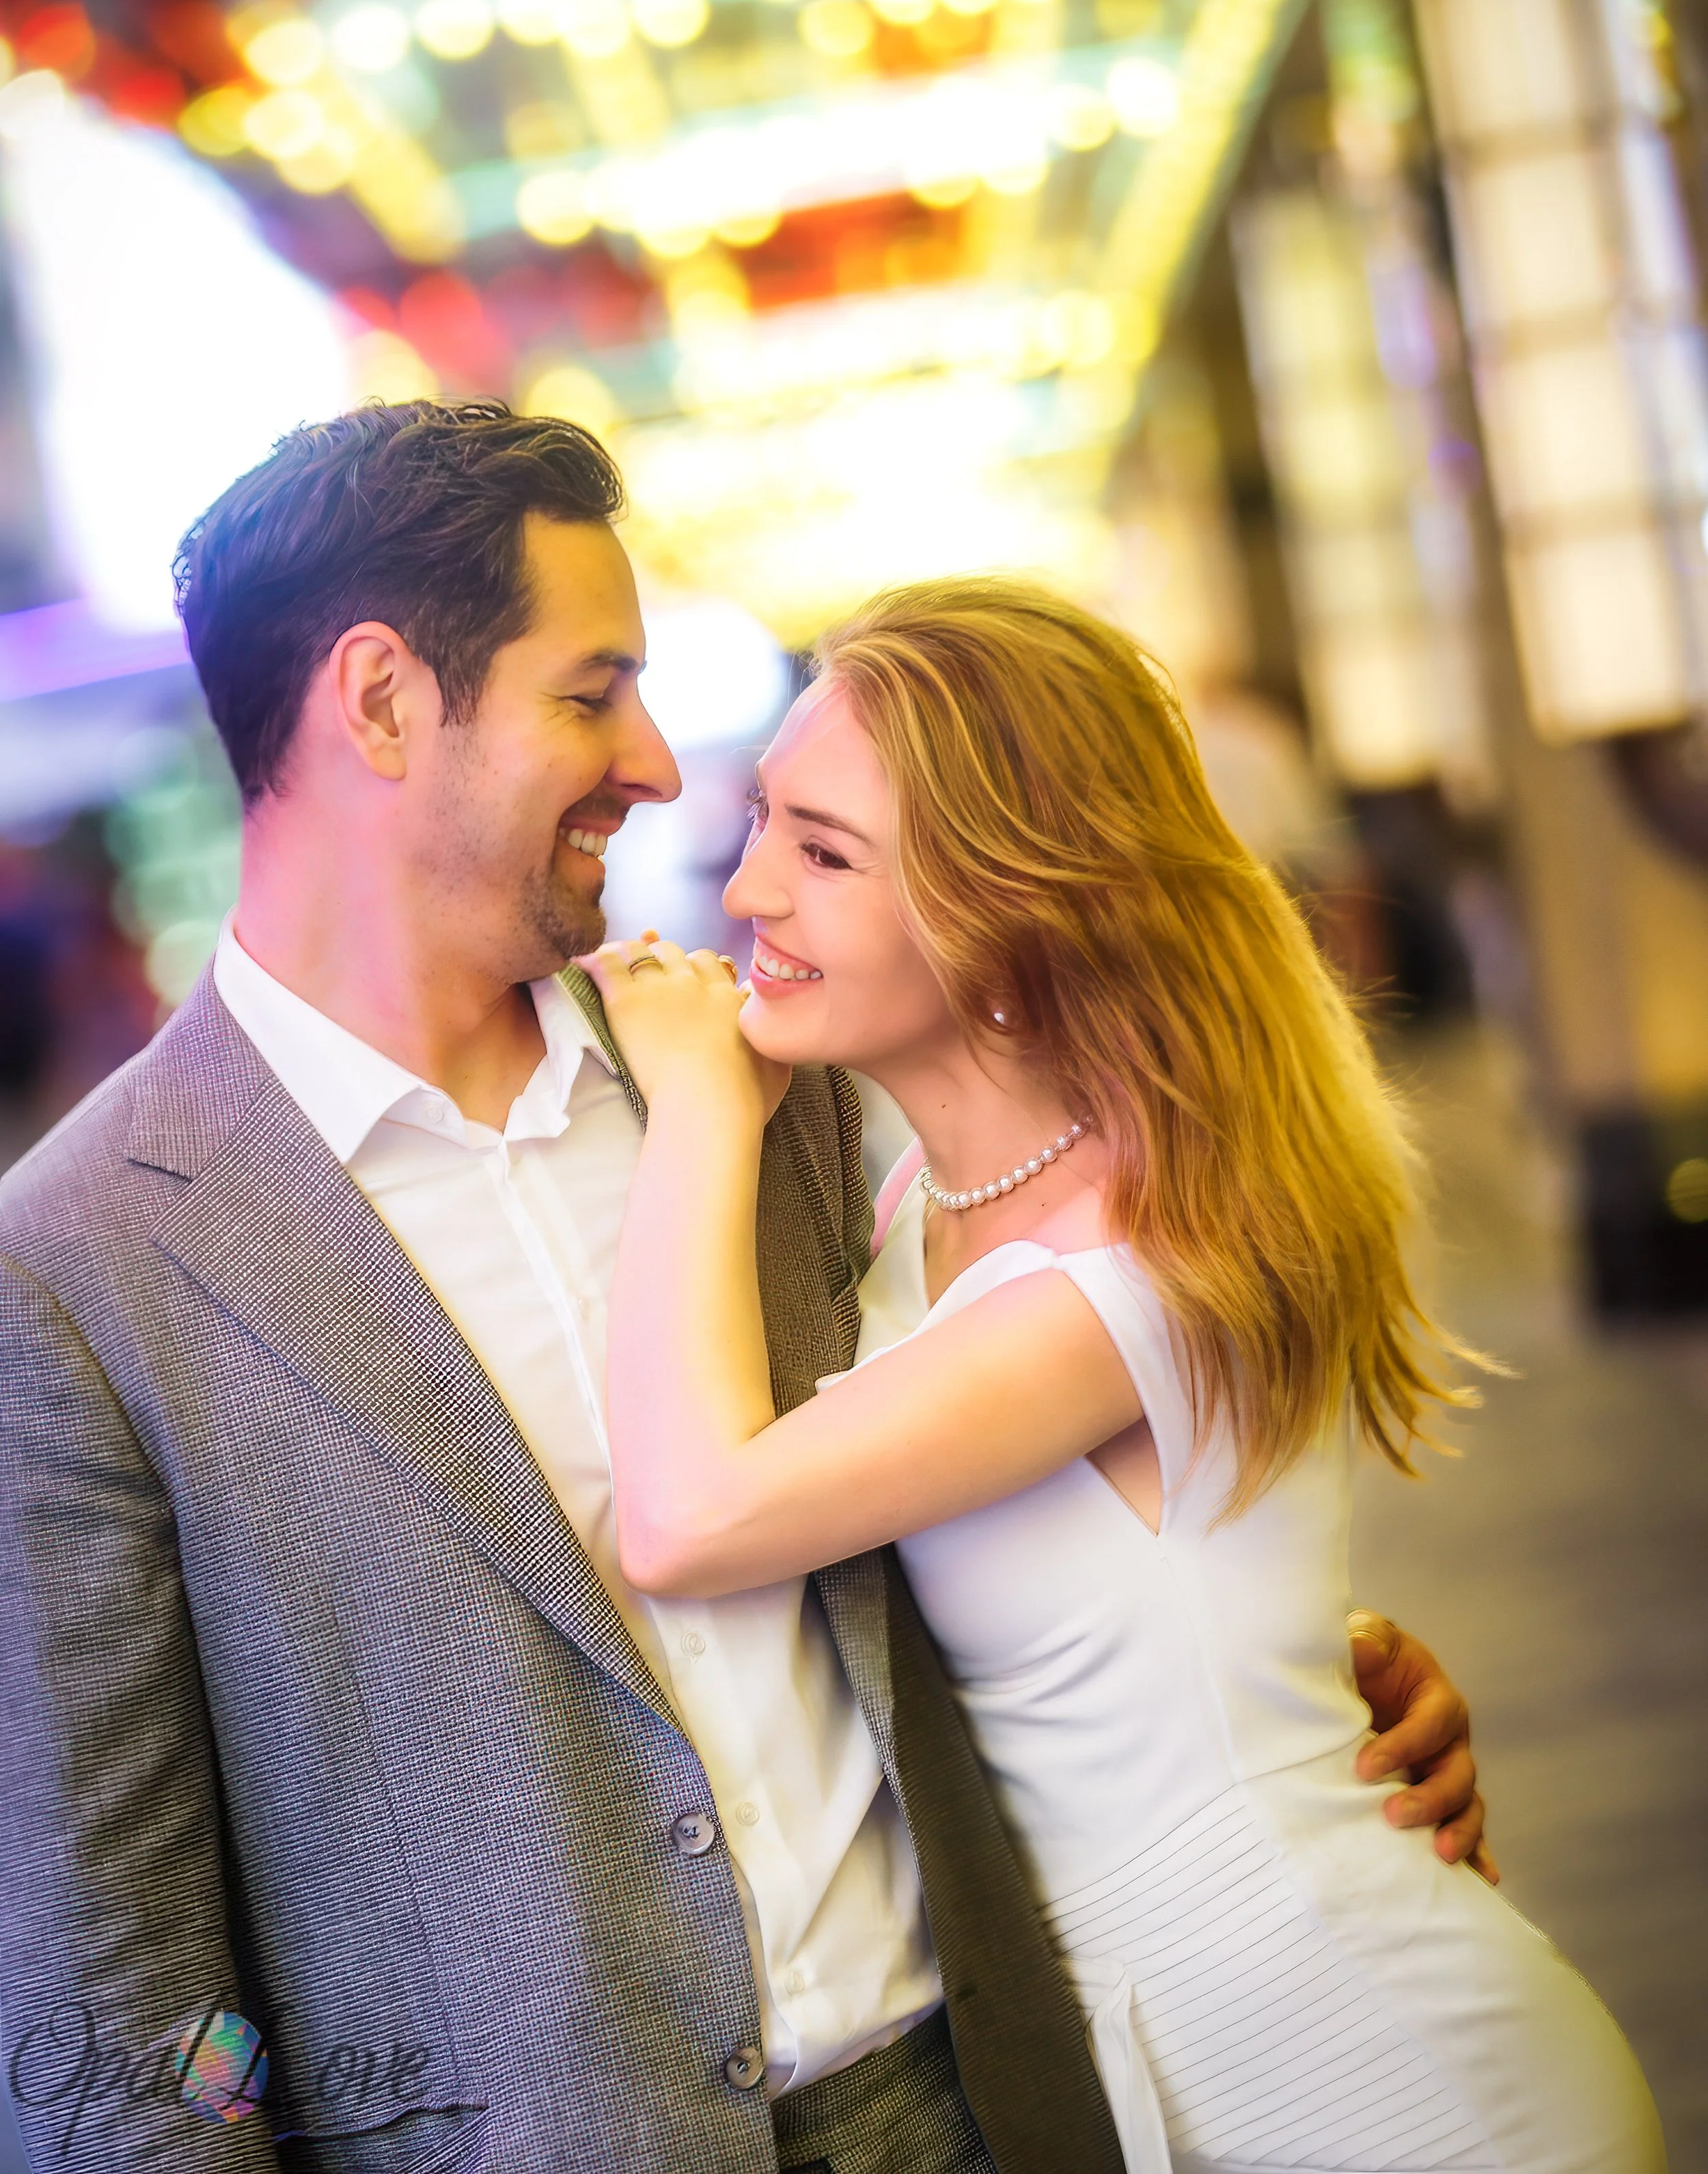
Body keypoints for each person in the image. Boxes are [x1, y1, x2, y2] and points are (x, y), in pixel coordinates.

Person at [0, 407, 1485, 2174]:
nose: (652, 761)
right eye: (590, 689)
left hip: (1005, 2100)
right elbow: (122, 2001)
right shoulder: (79, 1267)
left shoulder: (788, 1086)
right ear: (382, 700)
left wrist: (1293, 1686)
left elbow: (1065, 1425)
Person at [586, 576, 1666, 2174]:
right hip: (1165, 2072)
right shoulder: (918, 1217)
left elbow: (683, 1520)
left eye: (823, 854)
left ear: (1003, 903)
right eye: (764, 827)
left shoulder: (1117, 1267)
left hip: (1370, 2076)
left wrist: (699, 1108)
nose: (746, 888)